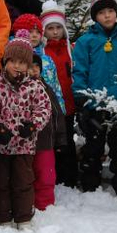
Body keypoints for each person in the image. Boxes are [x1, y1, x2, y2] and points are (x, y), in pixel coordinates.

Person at [72, 0, 117, 198]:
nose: (107, 15)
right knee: (94, 146)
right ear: (95, 17)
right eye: (102, 13)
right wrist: (81, 95)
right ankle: (89, 185)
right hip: (94, 104)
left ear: (116, 13)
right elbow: (79, 70)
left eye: (110, 11)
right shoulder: (86, 41)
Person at [0, 30, 51, 229]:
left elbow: (44, 108)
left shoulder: (34, 86)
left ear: (28, 66)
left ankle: (23, 217)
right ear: (5, 61)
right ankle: (4, 217)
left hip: (25, 146)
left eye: (22, 63)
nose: (17, 66)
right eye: (13, 61)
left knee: (23, 183)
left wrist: (33, 125)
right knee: (1, 182)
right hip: (2, 146)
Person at [41, 0, 78, 187]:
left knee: (68, 140)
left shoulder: (71, 50)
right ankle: (54, 176)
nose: (55, 32)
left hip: (68, 104)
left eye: (58, 27)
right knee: (53, 143)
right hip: (50, 106)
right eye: (50, 28)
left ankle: (70, 177)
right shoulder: (43, 52)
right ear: (44, 31)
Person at [30, 53, 66, 211]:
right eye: (30, 67)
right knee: (27, 175)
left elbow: (57, 113)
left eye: (37, 66)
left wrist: (60, 138)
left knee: (46, 174)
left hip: (45, 141)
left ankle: (45, 206)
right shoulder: (19, 89)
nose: (34, 70)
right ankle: (27, 204)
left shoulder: (46, 88)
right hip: (25, 142)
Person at [12, 13, 65, 112]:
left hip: (50, 109)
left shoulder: (47, 60)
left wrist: (60, 109)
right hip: (25, 111)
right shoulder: (14, 60)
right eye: (30, 31)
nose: (35, 35)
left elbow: (56, 87)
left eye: (38, 32)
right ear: (20, 33)